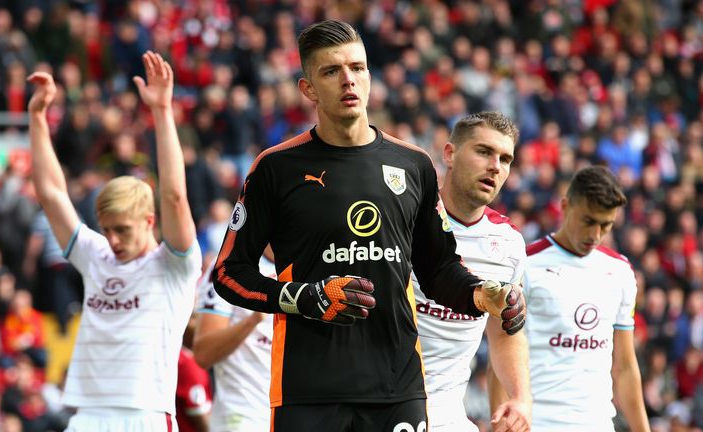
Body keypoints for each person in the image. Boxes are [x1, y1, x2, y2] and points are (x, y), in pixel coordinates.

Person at [211, 20, 525, 432]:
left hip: (398, 389)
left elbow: (437, 270)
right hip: (308, 390)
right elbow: (229, 274)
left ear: (370, 77)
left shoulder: (412, 164)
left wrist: (483, 295)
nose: (348, 81)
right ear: (308, 89)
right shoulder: (276, 168)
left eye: (357, 68)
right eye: (331, 71)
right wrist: (306, 298)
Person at [27, 51, 202, 431]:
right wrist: (38, 118)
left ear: (149, 221)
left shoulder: (174, 264)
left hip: (145, 416)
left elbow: (174, 194)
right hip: (86, 416)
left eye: (122, 229)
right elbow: (52, 194)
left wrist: (161, 111)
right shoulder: (96, 256)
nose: (112, 239)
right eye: (107, 229)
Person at [491, 166, 650, 432]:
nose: (596, 235)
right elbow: (500, 353)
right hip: (538, 425)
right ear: (565, 206)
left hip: (598, 425)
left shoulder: (621, 271)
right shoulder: (526, 265)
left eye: (606, 225)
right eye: (588, 221)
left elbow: (624, 367)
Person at [413, 112, 531, 432]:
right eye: (483, 152)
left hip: (448, 413)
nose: (496, 166)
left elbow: (506, 330)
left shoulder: (508, 243)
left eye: (505, 159)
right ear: (449, 154)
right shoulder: (404, 220)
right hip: (384, 406)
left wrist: (521, 398)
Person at [193, 248, 275, 432]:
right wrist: (254, 319)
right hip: (242, 417)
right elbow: (203, 353)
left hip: (296, 415)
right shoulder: (229, 266)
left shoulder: (314, 264)